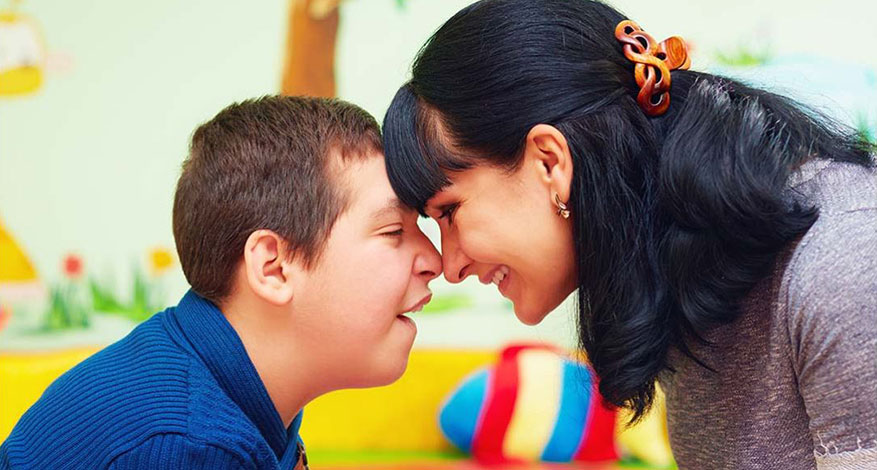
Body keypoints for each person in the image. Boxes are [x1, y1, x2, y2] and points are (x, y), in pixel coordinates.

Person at [380, 0, 877, 468]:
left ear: (550, 162)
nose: (450, 265)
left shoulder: (841, 262)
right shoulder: (684, 260)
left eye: (449, 211)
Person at [0, 96, 442, 470]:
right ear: (272, 267)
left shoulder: (228, 388)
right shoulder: (191, 443)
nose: (434, 260)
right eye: (392, 232)